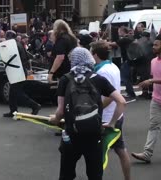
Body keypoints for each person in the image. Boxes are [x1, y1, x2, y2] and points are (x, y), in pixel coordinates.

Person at [50, 47, 126, 180]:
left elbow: (60, 112)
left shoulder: (65, 79)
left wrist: (55, 119)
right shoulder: (98, 79)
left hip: (71, 136)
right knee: (95, 175)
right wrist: (112, 123)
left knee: (66, 175)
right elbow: (121, 101)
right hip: (94, 134)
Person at [91, 41, 131, 180]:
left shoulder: (101, 71)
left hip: (106, 117)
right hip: (116, 114)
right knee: (120, 149)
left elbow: (110, 95)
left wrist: (96, 108)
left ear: (95, 54)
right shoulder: (113, 66)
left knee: (97, 154)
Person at [131, 35, 161, 163]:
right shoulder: (153, 61)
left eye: (156, 45)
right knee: (153, 126)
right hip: (156, 100)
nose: (153, 47)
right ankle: (147, 153)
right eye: (153, 44)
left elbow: (154, 79)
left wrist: (151, 80)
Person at [3, 30, 41, 118]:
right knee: (12, 92)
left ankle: (35, 106)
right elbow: (27, 58)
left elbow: (10, 59)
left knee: (18, 93)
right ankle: (13, 111)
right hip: (21, 70)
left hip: (17, 71)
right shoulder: (20, 44)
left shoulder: (13, 46)